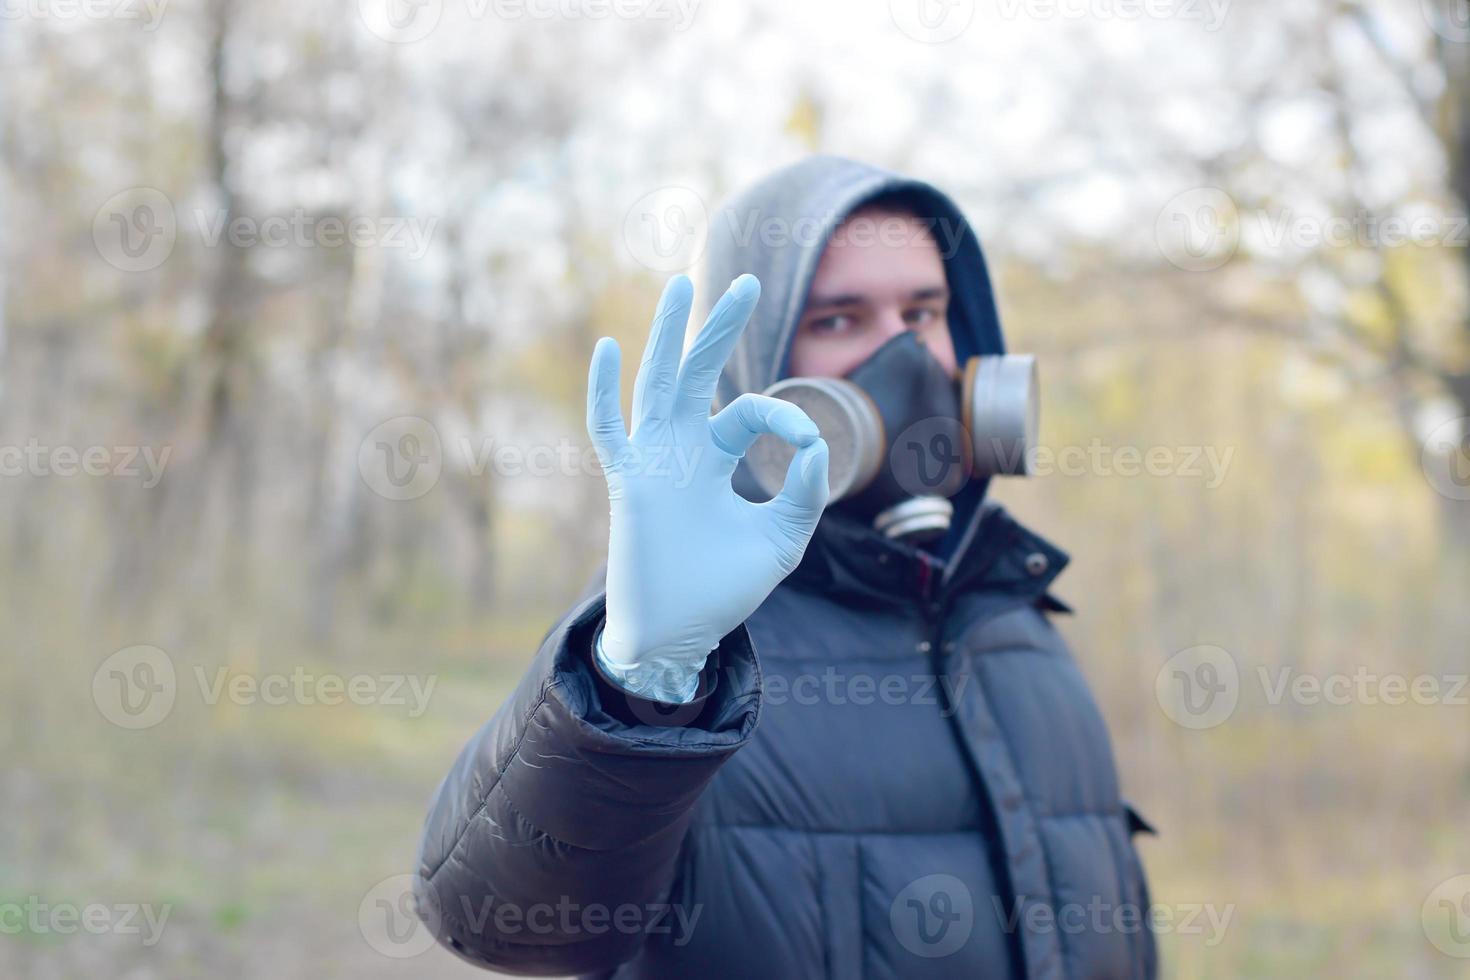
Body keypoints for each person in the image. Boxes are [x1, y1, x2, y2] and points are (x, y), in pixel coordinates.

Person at [414, 155, 1156, 979]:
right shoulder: (689, 632)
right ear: (760, 366)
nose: (904, 357)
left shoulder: (1018, 614)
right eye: (840, 320)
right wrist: (642, 682)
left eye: (925, 311)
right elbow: (507, 923)